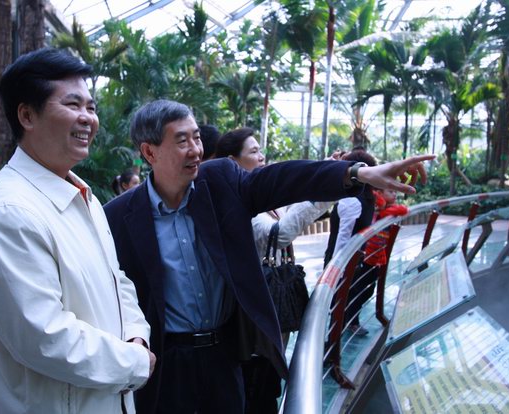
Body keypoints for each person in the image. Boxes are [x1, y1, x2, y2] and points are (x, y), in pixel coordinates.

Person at [103, 99, 432, 414]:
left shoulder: (219, 181)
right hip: (166, 364)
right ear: (149, 152)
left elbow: (282, 179)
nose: (195, 149)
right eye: (181, 141)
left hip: (224, 355)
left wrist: (356, 173)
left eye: (197, 137)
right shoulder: (118, 218)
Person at [0, 48, 155, 414]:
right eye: (73, 104)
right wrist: (134, 363)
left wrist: (136, 336)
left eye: (91, 107)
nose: (87, 118)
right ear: (27, 115)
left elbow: (117, 282)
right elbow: (45, 338)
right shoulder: (8, 214)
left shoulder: (84, 198)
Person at [215, 126, 334, 414]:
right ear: (232, 162)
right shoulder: (237, 205)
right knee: (259, 381)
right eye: (254, 151)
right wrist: (323, 192)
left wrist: (329, 175)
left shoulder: (261, 199)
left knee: (269, 375)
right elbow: (278, 234)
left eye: (260, 151)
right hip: (255, 314)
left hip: (271, 306)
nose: (262, 157)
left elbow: (293, 206)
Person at [324, 149, 378, 336]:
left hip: (352, 259)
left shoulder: (359, 198)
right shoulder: (356, 199)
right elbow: (342, 239)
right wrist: (336, 269)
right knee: (339, 299)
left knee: (351, 294)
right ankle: (333, 339)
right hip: (343, 260)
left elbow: (344, 239)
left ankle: (347, 326)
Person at [354, 189, 409, 329]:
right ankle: (352, 321)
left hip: (376, 257)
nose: (394, 194)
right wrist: (384, 204)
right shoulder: (377, 206)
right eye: (390, 191)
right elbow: (401, 210)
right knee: (361, 291)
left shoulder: (385, 208)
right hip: (367, 256)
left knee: (368, 290)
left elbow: (400, 210)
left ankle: (352, 320)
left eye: (395, 192)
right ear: (380, 192)